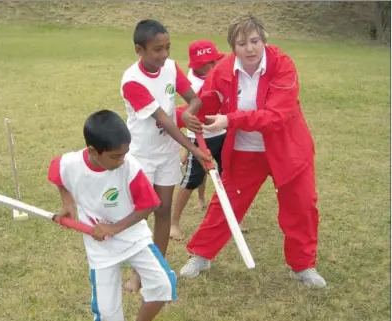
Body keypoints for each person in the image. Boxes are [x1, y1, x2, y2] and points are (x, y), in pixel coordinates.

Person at [179, 15, 327, 288]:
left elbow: (276, 116)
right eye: (242, 43)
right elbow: (210, 99)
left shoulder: (282, 65)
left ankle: (303, 266)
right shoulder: (223, 69)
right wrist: (179, 115)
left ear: (264, 40)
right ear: (233, 47)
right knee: (226, 203)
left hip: (288, 150)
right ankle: (201, 255)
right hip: (245, 150)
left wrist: (230, 120)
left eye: (255, 41)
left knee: (302, 206)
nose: (250, 48)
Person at [48, 110, 176, 321]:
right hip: (100, 247)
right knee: (105, 312)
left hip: (132, 236)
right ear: (94, 152)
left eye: (125, 154)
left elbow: (150, 204)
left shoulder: (130, 167)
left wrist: (115, 227)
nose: (122, 160)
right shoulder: (70, 163)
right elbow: (57, 173)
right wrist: (67, 204)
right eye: (115, 156)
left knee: (163, 283)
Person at [120, 19, 211, 292]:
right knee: (142, 214)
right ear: (140, 49)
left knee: (163, 211)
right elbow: (164, 121)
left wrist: (187, 111)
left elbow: (194, 99)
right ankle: (137, 273)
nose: (165, 55)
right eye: (157, 49)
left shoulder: (170, 67)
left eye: (168, 47)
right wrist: (194, 149)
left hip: (168, 153)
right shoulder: (132, 81)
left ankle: (156, 268)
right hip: (142, 155)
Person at [170, 39, 226, 240]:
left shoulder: (217, 72)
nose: (214, 65)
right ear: (197, 65)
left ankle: (226, 212)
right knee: (192, 178)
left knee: (226, 173)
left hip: (222, 131)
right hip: (201, 135)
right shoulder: (194, 85)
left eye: (215, 61)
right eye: (209, 63)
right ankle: (174, 222)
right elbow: (188, 112)